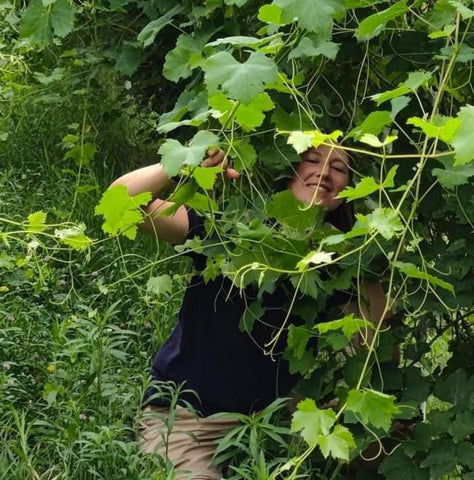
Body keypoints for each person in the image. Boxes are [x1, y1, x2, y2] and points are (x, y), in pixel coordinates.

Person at [110, 143, 388, 479]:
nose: (324, 172)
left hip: (279, 422)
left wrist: (368, 267)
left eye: (339, 168)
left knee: (382, 449)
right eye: (312, 160)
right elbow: (121, 202)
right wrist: (186, 162)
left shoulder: (342, 258)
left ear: (349, 188)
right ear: (286, 170)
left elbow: (378, 349)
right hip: (192, 417)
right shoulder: (234, 224)